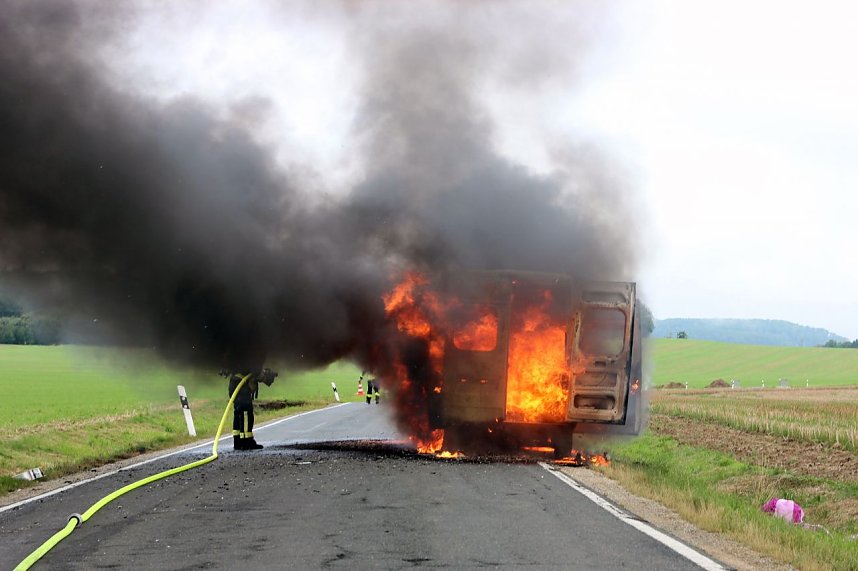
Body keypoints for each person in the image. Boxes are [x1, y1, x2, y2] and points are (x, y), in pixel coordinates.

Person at [223, 368, 277, 451]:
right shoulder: (249, 358)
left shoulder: (235, 359)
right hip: (242, 386)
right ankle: (247, 441)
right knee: (247, 413)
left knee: (238, 412)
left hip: (234, 384)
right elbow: (255, 370)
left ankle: (237, 442)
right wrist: (265, 375)